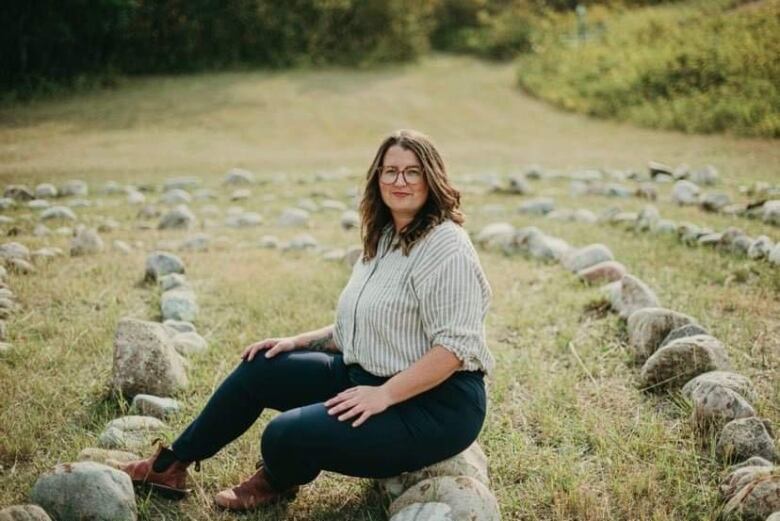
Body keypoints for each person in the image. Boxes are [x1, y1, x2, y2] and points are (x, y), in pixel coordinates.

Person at [118, 128, 496, 512]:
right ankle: (170, 465)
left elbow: (454, 349)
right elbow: (364, 327)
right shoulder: (385, 236)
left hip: (434, 405)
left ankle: (275, 480)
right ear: (377, 177)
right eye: (390, 171)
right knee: (259, 368)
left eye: (412, 172)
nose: (400, 181)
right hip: (366, 375)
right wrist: (296, 342)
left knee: (285, 435)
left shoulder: (446, 246)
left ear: (432, 178)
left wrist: (383, 395)